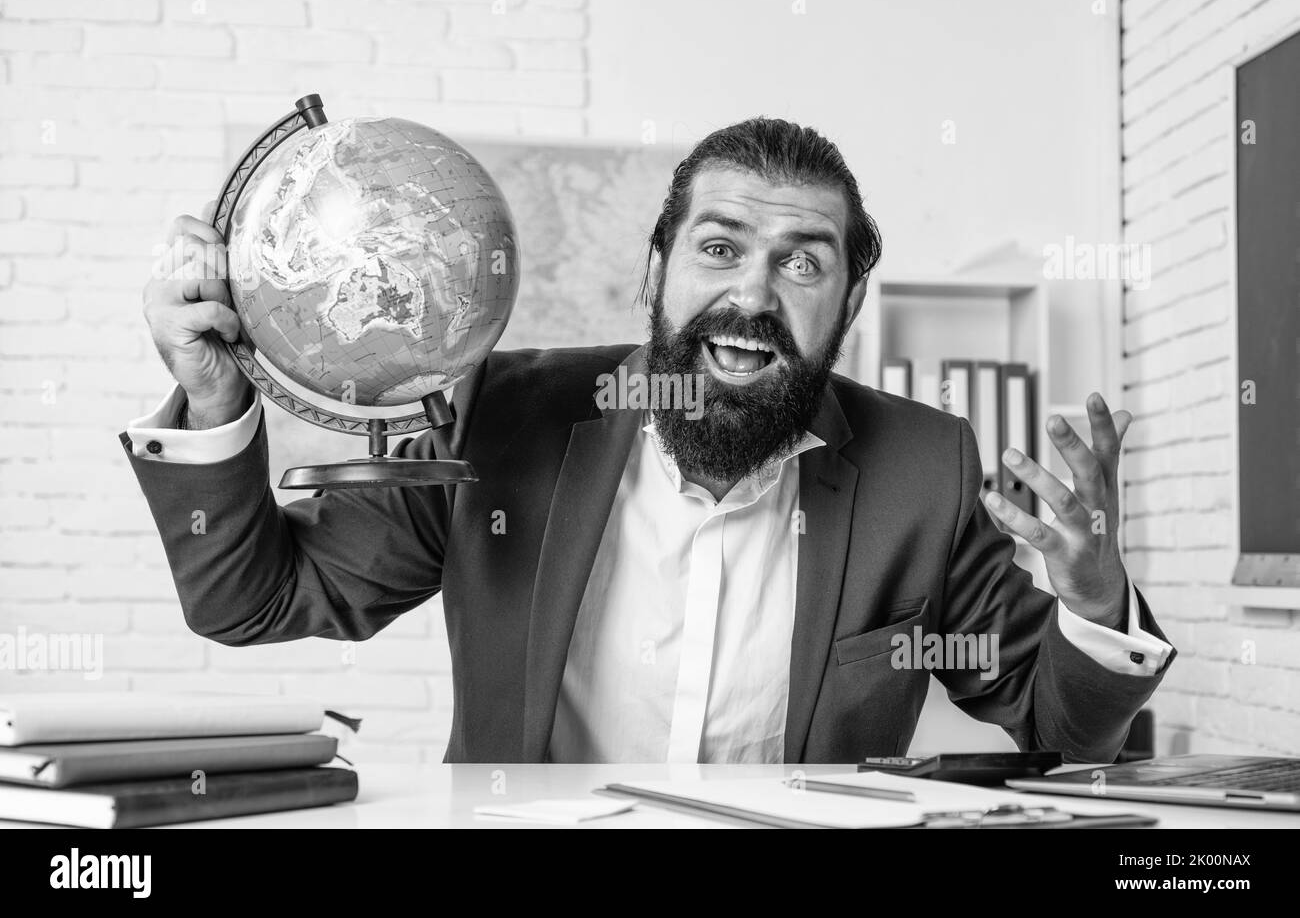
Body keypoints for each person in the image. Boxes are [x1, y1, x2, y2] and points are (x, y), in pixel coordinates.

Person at [124, 118, 1174, 764]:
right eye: (718, 248)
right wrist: (216, 401)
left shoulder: (923, 468)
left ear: (848, 299)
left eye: (802, 264)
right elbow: (253, 601)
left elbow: (1058, 724)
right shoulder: (494, 418)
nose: (751, 295)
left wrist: (1091, 606)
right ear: (655, 269)